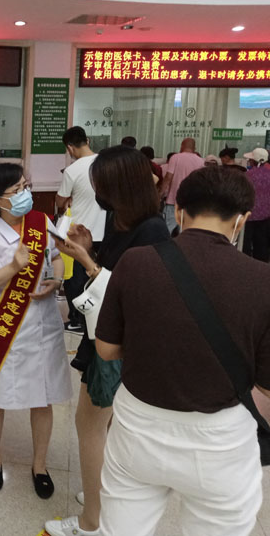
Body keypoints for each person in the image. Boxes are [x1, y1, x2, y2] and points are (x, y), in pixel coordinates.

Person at [95, 166, 270, 535]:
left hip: (137, 429)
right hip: (220, 442)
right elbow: (267, 387)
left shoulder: (135, 262)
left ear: (179, 211)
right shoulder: (263, 281)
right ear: (242, 220)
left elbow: (107, 349)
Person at [44, 145, 170, 536]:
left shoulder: (152, 231)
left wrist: (86, 262)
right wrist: (90, 249)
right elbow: (112, 268)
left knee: (90, 425)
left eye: (101, 186)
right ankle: (101, 494)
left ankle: (91, 521)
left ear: (120, 187)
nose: (97, 194)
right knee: (105, 425)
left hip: (117, 343)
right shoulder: (121, 220)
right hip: (103, 331)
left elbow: (134, 290)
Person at [0, 163, 71, 497]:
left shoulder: (41, 222)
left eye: (26, 186)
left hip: (43, 325)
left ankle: (39, 465)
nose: (25, 194)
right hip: (4, 328)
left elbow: (56, 257)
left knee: (43, 397)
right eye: (17, 190)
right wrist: (13, 267)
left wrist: (56, 279)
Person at [56, 126, 106, 334]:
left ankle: (78, 320)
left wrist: (67, 200)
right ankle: (98, 319)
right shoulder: (106, 163)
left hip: (80, 236)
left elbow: (60, 201)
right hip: (106, 233)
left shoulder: (72, 170)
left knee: (76, 279)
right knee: (100, 276)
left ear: (69, 148)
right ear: (88, 140)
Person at [159, 138, 204, 233]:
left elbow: (168, 177)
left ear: (182, 146)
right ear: (194, 148)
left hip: (173, 201)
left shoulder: (175, 157)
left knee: (167, 229)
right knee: (186, 230)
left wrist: (160, 194)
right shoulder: (200, 161)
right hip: (191, 202)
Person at [243, 148, 270, 262]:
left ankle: (246, 264)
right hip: (266, 217)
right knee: (262, 245)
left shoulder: (247, 175)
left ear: (253, 161)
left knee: (245, 244)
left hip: (248, 216)